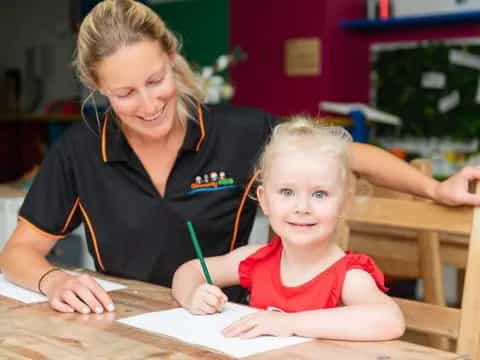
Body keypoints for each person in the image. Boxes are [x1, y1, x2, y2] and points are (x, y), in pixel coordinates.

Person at [1, 0, 479, 315]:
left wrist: (436, 188)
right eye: (124, 93)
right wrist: (53, 281)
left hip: (221, 320)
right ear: (97, 87)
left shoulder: (242, 132)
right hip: (118, 321)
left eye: (155, 81)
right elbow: (19, 252)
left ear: (171, 56)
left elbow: (347, 153)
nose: (147, 105)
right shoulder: (80, 150)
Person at [172, 118, 405, 340]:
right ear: (264, 200)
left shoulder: (349, 276)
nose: (302, 207)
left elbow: (390, 320)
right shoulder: (256, 260)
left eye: (319, 194)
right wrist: (194, 295)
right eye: (287, 192)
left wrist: (289, 323)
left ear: (344, 203)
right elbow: (189, 271)